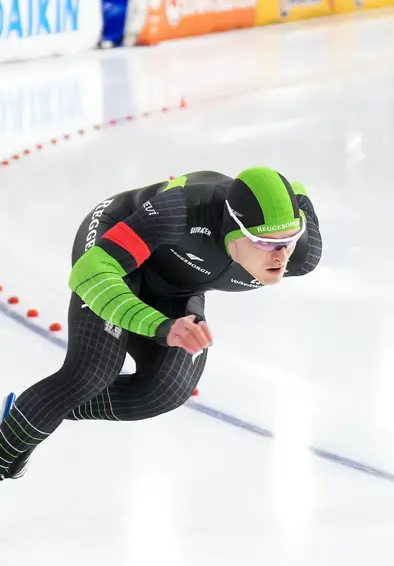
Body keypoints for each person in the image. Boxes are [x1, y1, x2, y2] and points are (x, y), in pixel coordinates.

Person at [0, 167, 322, 480]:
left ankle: (29, 416)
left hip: (177, 284)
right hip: (117, 248)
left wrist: (47, 409)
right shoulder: (182, 211)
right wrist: (160, 327)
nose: (281, 256)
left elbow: (299, 195)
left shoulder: (300, 254)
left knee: (166, 389)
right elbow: (89, 274)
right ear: (236, 232)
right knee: (92, 371)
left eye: (290, 238)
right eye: (266, 242)